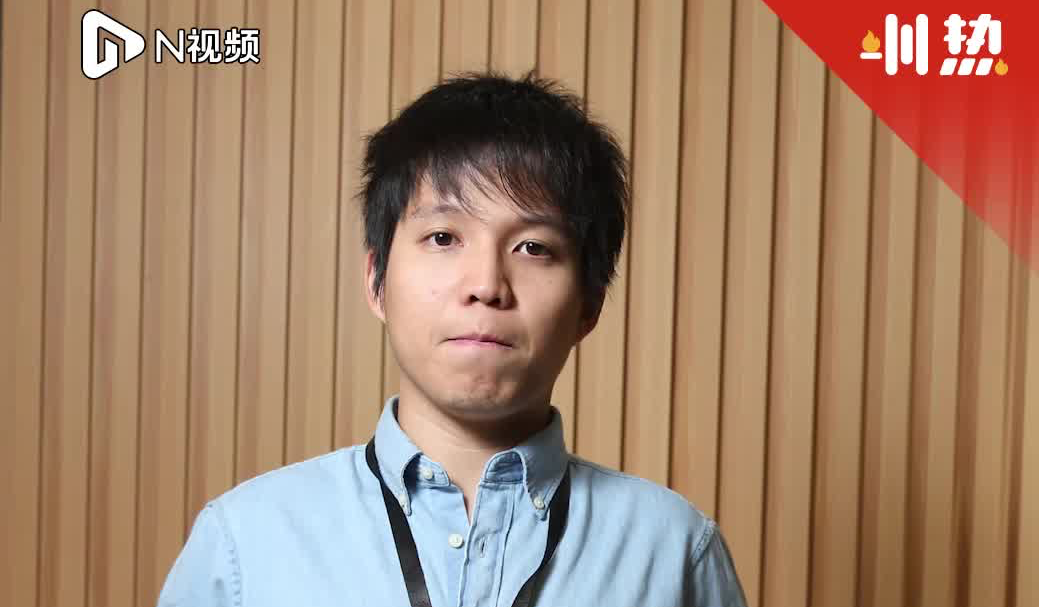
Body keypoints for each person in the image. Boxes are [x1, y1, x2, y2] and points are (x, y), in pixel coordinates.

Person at [157, 71, 747, 607]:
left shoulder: (674, 551)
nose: (486, 285)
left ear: (589, 303)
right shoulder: (244, 543)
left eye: (534, 247)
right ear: (377, 281)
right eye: (443, 238)